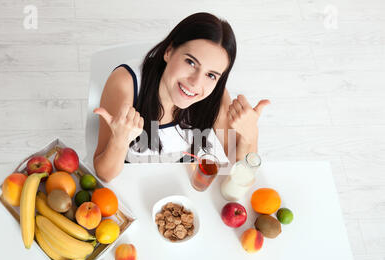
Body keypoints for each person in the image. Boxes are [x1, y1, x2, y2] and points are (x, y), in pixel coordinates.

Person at [93, 12, 270, 183]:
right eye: (191, 62)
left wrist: (250, 134)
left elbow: (238, 171)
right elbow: (105, 174)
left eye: (211, 75)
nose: (195, 83)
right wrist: (119, 140)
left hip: (178, 184)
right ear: (169, 51)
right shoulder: (127, 84)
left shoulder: (215, 97)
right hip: (128, 181)